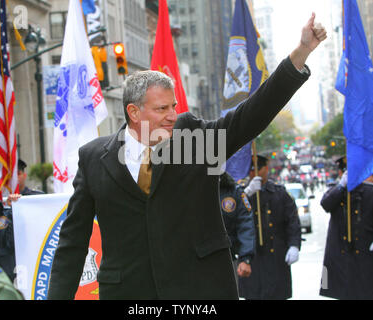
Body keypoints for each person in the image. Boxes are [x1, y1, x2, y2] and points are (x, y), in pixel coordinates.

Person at [47, 14, 326, 300]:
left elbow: (250, 116)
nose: (172, 116)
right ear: (133, 113)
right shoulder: (94, 158)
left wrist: (300, 53)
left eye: (174, 106)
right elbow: (72, 242)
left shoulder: (192, 140)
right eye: (161, 109)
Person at [238, 155, 302, 300]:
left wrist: (294, 245)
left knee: (276, 294)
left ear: (266, 169)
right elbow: (233, 215)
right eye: (251, 170)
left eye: (258, 169)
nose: (254, 173)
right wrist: (247, 194)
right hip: (252, 256)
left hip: (276, 255)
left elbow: (292, 221)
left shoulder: (280, 193)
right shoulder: (242, 193)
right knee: (254, 294)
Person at [319, 156, 373, 299]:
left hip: (363, 254)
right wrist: (341, 186)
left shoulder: (369, 191)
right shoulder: (337, 191)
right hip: (340, 255)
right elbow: (325, 204)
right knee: (342, 292)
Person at [219, 171, 255, 280]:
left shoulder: (234, 191)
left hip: (227, 257)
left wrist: (245, 258)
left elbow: (245, 224)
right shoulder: (193, 190)